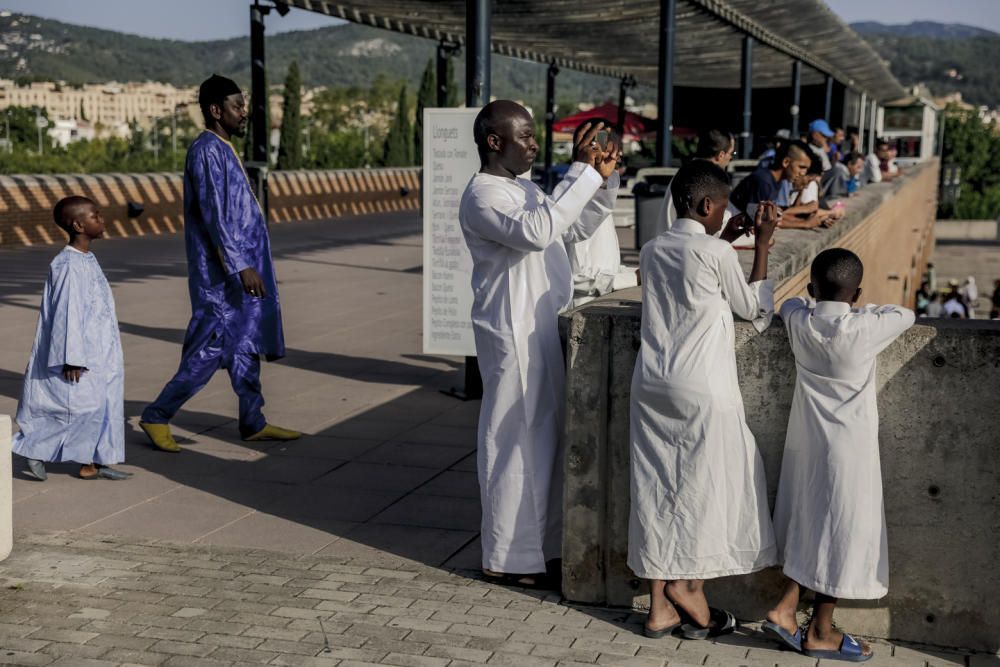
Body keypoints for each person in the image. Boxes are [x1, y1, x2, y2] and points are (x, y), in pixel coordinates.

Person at [459, 101, 621, 587]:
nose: (534, 144)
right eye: (525, 136)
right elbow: (538, 231)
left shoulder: (523, 188)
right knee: (514, 441)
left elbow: (571, 227)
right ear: (495, 141)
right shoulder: (483, 195)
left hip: (538, 326)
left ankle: (534, 553)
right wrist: (579, 171)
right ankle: (505, 558)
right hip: (511, 331)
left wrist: (600, 178)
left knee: (543, 440)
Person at [628, 160, 780, 640]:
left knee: (653, 490)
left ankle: (658, 607)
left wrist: (725, 239)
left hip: (651, 384)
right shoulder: (716, 253)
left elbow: (691, 274)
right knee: (710, 486)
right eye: (722, 209)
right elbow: (752, 308)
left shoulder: (652, 251)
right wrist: (762, 246)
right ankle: (689, 586)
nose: (725, 216)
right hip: (702, 389)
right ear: (708, 204)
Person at [763, 248, 915, 662]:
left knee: (811, 527)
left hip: (807, 447)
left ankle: (786, 608)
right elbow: (905, 315)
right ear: (857, 294)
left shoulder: (800, 322)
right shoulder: (863, 329)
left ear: (813, 288)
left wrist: (812, 299)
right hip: (850, 452)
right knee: (842, 536)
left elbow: (788, 302)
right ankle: (820, 631)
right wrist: (861, 308)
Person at [139, 74, 300, 451]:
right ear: (215, 110)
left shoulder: (224, 148)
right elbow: (214, 215)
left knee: (245, 345)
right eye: (237, 106)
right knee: (209, 349)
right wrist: (239, 265)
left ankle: (253, 420)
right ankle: (156, 415)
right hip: (221, 278)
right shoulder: (206, 150)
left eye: (243, 105)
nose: (244, 113)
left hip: (240, 273)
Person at [13, 196, 131, 482]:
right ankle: (35, 449)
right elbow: (66, 312)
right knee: (76, 407)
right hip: (80, 352)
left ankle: (94, 463)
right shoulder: (67, 264)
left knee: (103, 405)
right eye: (96, 215)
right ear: (78, 224)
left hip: (100, 349)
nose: (101, 220)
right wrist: (71, 357)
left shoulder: (86, 258)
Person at [561, 123, 636, 306]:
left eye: (616, 159)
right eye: (606, 155)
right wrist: (631, 279)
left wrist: (637, 273)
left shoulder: (601, 197)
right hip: (580, 311)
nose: (611, 165)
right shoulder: (572, 201)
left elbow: (607, 266)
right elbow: (574, 277)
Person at [731, 140, 810, 219]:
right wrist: (806, 223)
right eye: (801, 167)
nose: (803, 173)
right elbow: (759, 219)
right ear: (786, 162)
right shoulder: (764, 181)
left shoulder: (778, 180)